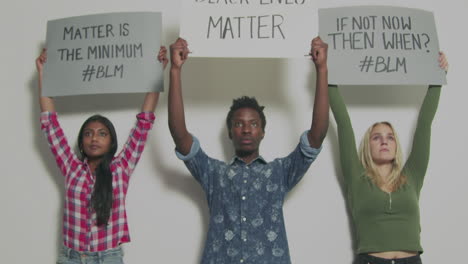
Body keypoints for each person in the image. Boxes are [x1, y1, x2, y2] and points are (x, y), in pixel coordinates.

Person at [167, 37, 329, 264]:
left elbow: (316, 136)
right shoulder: (213, 173)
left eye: (253, 123)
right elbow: (179, 134)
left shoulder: (280, 172)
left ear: (263, 132)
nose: (246, 129)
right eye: (239, 123)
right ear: (230, 132)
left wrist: (321, 69)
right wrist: (175, 70)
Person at [36, 47, 168, 264]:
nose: (94, 139)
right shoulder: (71, 167)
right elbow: (49, 123)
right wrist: (44, 73)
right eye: (88, 134)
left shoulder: (121, 167)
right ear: (81, 142)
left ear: (111, 141)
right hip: (71, 257)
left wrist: (157, 71)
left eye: (101, 134)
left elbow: (144, 123)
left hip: (108, 258)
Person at [329, 52, 448, 264]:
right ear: (368, 145)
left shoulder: (412, 176)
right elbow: (344, 123)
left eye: (390, 137)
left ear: (396, 146)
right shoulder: (357, 178)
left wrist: (436, 79)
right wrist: (326, 74)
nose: (384, 141)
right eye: (377, 137)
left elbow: (424, 126)